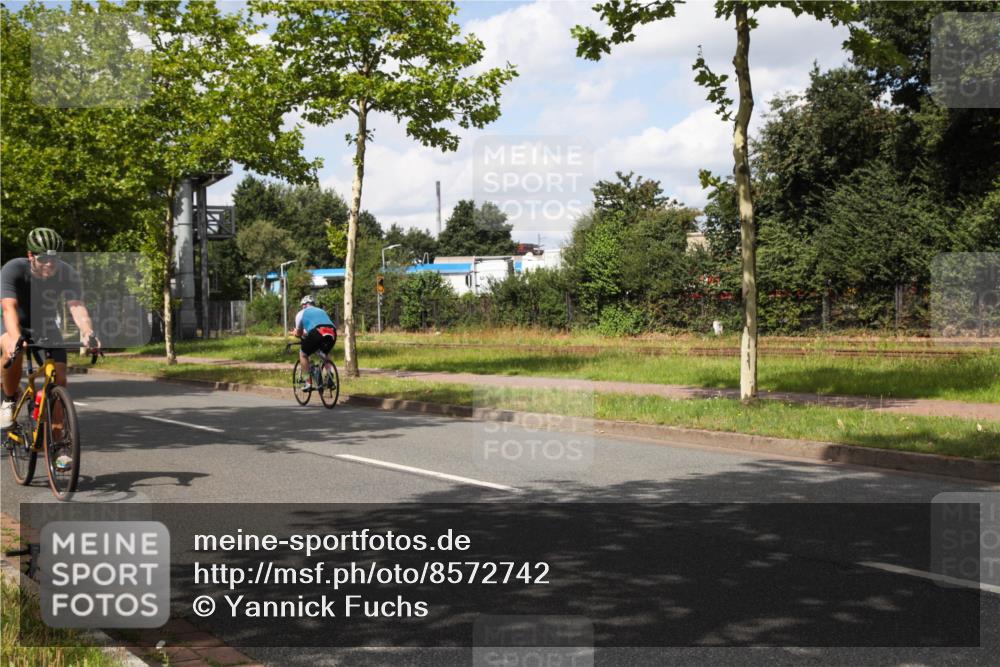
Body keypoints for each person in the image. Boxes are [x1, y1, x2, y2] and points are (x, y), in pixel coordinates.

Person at [1, 228, 101, 433]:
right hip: (11, 321)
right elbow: (8, 307)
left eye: (55, 259)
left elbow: (76, 306)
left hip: (44, 325)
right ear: (30, 255)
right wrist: (15, 337)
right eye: (44, 258)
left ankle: (58, 443)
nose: (50, 264)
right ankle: (9, 398)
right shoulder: (13, 269)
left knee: (60, 378)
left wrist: (88, 331)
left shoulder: (67, 272)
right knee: (13, 350)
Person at [290, 294, 336, 390]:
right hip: (332, 332)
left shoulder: (301, 313)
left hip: (317, 332)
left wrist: (295, 333)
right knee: (324, 353)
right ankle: (330, 376)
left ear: (304, 305)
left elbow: (299, 332)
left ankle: (307, 382)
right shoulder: (322, 311)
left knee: (303, 354)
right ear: (313, 304)